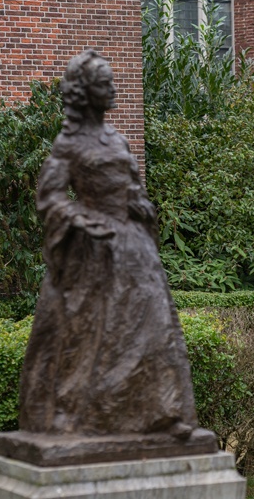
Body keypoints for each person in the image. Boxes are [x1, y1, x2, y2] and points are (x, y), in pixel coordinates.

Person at [18, 49, 200, 442]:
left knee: (152, 332)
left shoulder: (116, 138)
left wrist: (139, 204)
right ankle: (78, 418)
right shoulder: (67, 145)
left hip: (134, 249)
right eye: (105, 84)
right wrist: (76, 218)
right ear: (85, 93)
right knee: (91, 336)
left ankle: (162, 413)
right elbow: (48, 197)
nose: (113, 89)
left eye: (112, 82)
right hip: (94, 251)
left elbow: (131, 186)